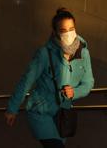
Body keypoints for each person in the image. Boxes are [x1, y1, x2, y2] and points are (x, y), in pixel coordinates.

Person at [5, 8, 95, 148]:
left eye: (71, 29)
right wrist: (12, 108)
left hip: (62, 116)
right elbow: (26, 81)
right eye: (64, 30)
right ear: (55, 32)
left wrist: (75, 93)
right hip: (41, 112)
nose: (69, 33)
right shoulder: (44, 54)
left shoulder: (83, 53)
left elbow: (88, 82)